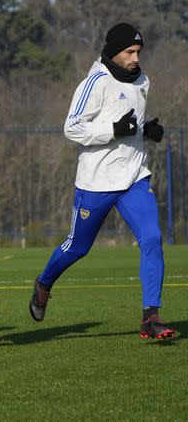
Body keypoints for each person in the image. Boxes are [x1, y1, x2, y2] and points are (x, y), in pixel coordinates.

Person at [29, 23, 176, 340]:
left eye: (138, 52)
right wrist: (112, 130)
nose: (135, 58)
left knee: (151, 239)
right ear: (113, 52)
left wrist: (146, 131)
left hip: (134, 178)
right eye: (129, 52)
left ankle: (151, 317)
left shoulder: (143, 80)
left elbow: (130, 124)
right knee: (77, 249)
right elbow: (72, 128)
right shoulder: (95, 82)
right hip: (96, 182)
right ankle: (43, 283)